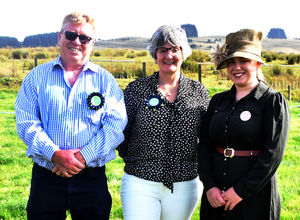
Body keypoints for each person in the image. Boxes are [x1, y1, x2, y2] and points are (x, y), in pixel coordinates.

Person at [15, 12, 127, 219]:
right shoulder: (36, 77)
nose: (77, 42)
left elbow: (115, 125)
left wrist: (83, 156)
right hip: (46, 178)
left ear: (92, 43)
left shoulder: (106, 81)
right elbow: (26, 122)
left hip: (91, 180)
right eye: (71, 35)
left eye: (84, 38)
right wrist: (55, 154)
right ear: (59, 37)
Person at [117, 25, 209, 220]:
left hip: (185, 184)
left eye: (175, 49)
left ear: (184, 54)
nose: (169, 55)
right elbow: (122, 132)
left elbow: (207, 136)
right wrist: (137, 160)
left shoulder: (198, 91)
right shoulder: (136, 90)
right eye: (163, 50)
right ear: (155, 54)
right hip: (140, 181)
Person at [198, 29, 290, 220]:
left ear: (257, 63)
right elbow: (204, 146)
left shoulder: (272, 101)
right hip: (215, 197)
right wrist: (210, 186)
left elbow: (273, 154)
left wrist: (240, 191)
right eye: (231, 62)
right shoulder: (218, 101)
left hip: (255, 196)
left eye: (243, 61)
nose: (236, 67)